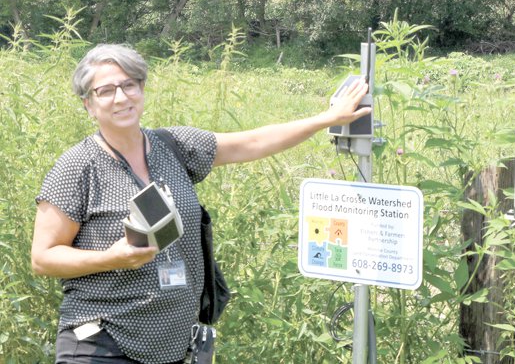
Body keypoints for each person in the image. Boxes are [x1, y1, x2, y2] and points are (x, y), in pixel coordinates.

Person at [31, 43, 370, 364]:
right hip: (102, 342)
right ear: (88, 104)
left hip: (174, 344)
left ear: (142, 89)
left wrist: (326, 119)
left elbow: (252, 142)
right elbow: (43, 258)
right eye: (105, 91)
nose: (121, 97)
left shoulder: (174, 146)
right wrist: (112, 258)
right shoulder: (77, 167)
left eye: (129, 85)